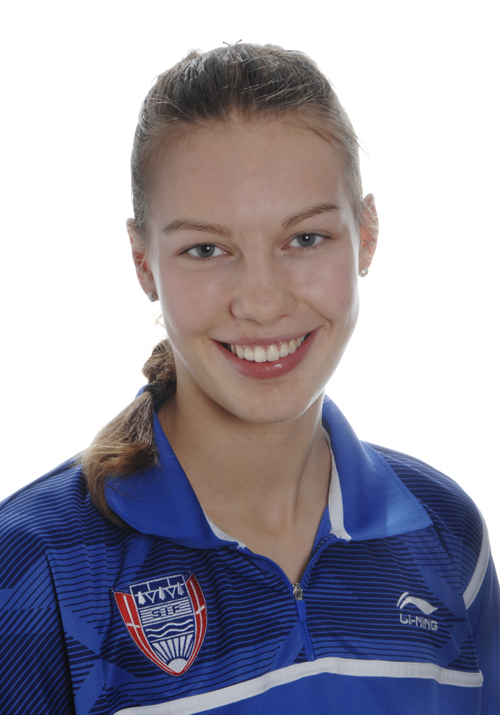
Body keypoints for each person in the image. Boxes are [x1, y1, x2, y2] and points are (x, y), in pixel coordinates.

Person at [0, 43, 498, 715]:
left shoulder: (446, 535)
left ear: (367, 234)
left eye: (306, 239)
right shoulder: (37, 565)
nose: (262, 303)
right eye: (206, 249)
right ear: (143, 261)